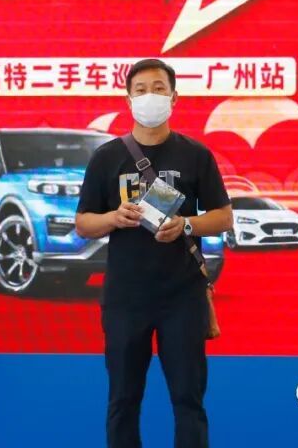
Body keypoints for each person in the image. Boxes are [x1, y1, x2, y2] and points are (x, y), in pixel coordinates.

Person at [75, 58, 233, 448]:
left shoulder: (196, 155)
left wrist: (187, 225)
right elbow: (83, 223)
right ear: (128, 99)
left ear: (174, 98)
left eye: (159, 89)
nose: (150, 97)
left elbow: (224, 216)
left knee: (188, 401)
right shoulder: (106, 157)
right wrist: (113, 217)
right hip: (125, 298)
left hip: (183, 296)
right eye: (141, 90)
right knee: (123, 401)